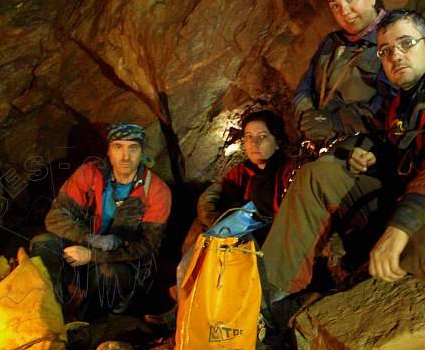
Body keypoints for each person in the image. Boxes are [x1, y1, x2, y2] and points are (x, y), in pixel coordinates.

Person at [262, 9, 425, 297]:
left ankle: (347, 303)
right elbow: (389, 146)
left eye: (406, 43)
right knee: (319, 176)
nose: (395, 56)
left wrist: (403, 224)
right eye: (386, 51)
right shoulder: (401, 106)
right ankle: (270, 293)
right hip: (419, 206)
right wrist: (365, 155)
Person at [30, 122, 172, 320]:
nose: (125, 156)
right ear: (109, 151)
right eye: (118, 147)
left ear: (141, 152)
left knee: (107, 274)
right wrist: (90, 239)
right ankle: (56, 312)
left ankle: (85, 322)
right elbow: (56, 217)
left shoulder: (156, 191)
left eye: (133, 148)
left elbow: (145, 246)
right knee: (43, 244)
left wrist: (93, 255)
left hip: (121, 263)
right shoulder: (90, 173)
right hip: (82, 248)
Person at [294, 0, 388, 143]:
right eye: (335, 6)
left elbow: (391, 103)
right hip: (322, 140)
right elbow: (305, 86)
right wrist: (307, 116)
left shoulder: (392, 39)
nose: (344, 11)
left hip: (366, 143)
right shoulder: (331, 43)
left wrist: (335, 122)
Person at [182, 110, 295, 251]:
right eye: (249, 137)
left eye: (262, 136)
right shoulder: (241, 171)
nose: (254, 143)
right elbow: (213, 197)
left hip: (271, 244)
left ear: (277, 142)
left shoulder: (289, 173)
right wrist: (216, 221)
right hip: (234, 240)